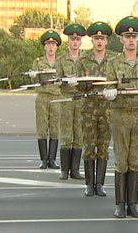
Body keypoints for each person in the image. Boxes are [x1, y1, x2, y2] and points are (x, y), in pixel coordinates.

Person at [104, 16, 138, 218]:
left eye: (134, 36)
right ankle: (120, 203)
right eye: (127, 36)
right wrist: (110, 91)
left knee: (136, 159)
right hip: (120, 114)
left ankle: (133, 203)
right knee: (121, 159)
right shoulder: (113, 63)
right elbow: (109, 85)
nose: (131, 40)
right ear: (121, 39)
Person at [75, 21, 116, 197]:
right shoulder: (83, 61)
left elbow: (117, 81)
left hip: (107, 107)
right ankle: (89, 184)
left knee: (103, 146)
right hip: (89, 107)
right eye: (96, 38)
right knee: (89, 145)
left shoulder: (113, 61)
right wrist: (88, 82)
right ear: (92, 41)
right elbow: (78, 86)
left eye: (103, 38)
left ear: (106, 41)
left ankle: (100, 183)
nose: (99, 41)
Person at [55, 24, 86, 181]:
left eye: (78, 39)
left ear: (81, 42)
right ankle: (64, 169)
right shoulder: (61, 60)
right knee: (66, 132)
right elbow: (57, 80)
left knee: (79, 133)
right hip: (67, 99)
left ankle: (75, 169)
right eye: (72, 39)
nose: (75, 42)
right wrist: (65, 82)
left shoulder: (85, 60)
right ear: (68, 41)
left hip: (80, 99)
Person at [32, 30, 62, 169]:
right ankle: (43, 159)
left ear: (56, 47)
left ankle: (52, 159)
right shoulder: (38, 62)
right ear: (44, 46)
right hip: (43, 97)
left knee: (55, 128)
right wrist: (33, 76)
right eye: (48, 44)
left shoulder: (61, 62)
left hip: (56, 97)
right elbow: (35, 82)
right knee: (42, 128)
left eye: (53, 44)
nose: (50, 47)